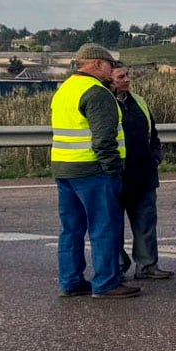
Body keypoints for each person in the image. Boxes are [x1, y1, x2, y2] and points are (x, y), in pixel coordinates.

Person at [51, 43, 139, 299]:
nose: (112, 71)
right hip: (93, 170)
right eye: (110, 65)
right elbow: (104, 139)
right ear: (97, 64)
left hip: (64, 168)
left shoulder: (64, 89)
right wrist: (113, 170)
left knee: (71, 229)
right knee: (104, 227)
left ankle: (71, 281)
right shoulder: (97, 92)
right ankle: (107, 282)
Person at [111, 62, 171, 280]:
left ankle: (147, 265)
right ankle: (117, 266)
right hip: (117, 174)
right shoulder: (105, 103)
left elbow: (152, 133)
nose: (126, 79)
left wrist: (155, 156)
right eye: (120, 77)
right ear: (109, 79)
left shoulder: (139, 102)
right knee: (113, 224)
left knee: (145, 222)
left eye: (127, 75)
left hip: (143, 173)